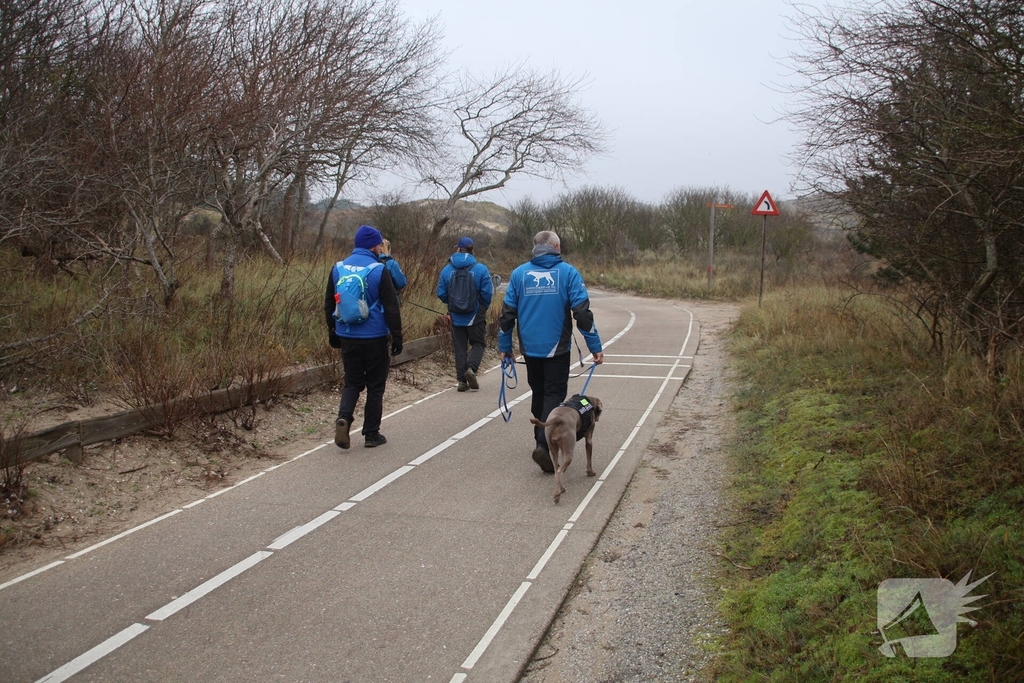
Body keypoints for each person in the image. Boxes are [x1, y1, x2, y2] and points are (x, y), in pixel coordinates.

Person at [498, 230, 604, 473]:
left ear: (535, 247)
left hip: (530, 349)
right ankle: (544, 446)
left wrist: (505, 347)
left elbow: (507, 315)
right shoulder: (568, 273)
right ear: (556, 246)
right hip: (557, 348)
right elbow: (582, 313)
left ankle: (541, 439)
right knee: (554, 395)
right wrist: (595, 347)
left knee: (539, 391)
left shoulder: (519, 274)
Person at [325, 225, 403, 449]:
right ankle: (371, 434)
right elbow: (391, 307)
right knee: (375, 387)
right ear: (373, 245)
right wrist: (397, 337)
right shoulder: (379, 270)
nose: (381, 247)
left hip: (347, 335)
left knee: (352, 383)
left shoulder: (337, 268)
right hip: (375, 337)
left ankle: (344, 418)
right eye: (379, 244)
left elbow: (329, 303)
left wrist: (333, 331)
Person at [436, 236, 494, 391]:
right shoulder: (481, 269)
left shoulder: (447, 270)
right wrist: (482, 307)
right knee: (479, 343)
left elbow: (440, 293)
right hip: (476, 314)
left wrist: (452, 303)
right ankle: (472, 369)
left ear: (458, 249)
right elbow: (487, 293)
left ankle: (462, 381)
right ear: (472, 249)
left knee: (460, 347)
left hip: (455, 315)